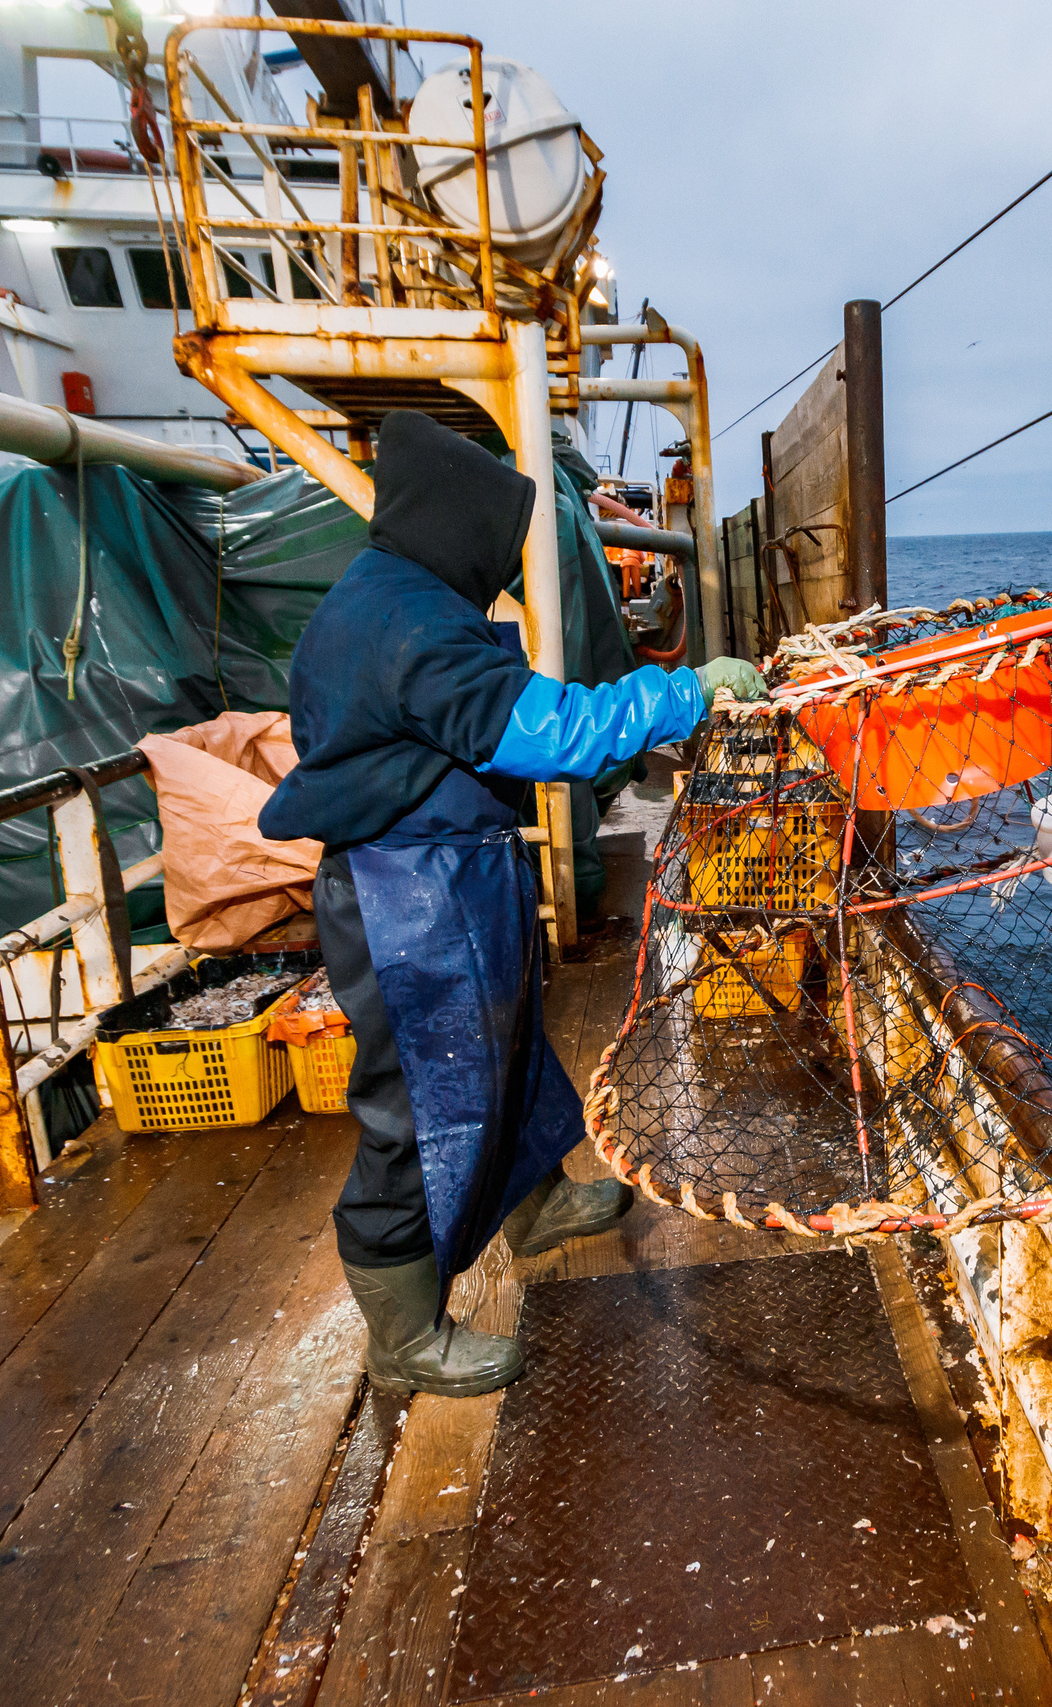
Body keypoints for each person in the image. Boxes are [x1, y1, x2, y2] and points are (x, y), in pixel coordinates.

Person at [260, 412, 763, 1397]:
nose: (501, 557)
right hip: (408, 899)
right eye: (497, 536)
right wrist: (687, 691)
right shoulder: (408, 626)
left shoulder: (391, 598)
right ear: (458, 527)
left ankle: (531, 1209)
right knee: (421, 1107)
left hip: (452, 876)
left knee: (507, 1055)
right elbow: (550, 735)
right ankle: (402, 1340)